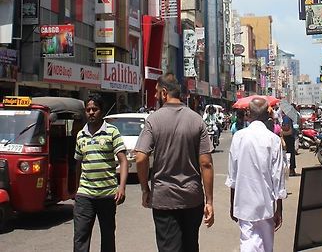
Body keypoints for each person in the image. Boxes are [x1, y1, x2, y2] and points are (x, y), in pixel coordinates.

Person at [135, 73, 214, 252]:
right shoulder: (197, 120)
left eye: (156, 92)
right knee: (190, 246)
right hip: (192, 199)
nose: (154, 96)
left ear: (164, 93)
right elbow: (206, 164)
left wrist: (145, 189)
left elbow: (140, 157)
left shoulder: (153, 120)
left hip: (164, 200)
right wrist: (209, 201)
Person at [226, 97, 287, 252]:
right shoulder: (273, 139)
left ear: (248, 114)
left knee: (247, 244)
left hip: (244, 203)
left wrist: (232, 204)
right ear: (267, 115)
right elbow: (278, 177)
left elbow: (232, 175)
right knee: (267, 246)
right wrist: (279, 209)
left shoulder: (239, 137)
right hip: (266, 203)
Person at [73, 95, 128, 252]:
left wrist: (122, 188)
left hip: (107, 195)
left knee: (108, 236)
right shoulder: (80, 135)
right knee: (80, 237)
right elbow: (78, 164)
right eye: (88, 109)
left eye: (95, 109)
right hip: (85, 195)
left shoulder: (112, 132)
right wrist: (77, 190)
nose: (91, 112)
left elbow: (123, 161)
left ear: (101, 111)